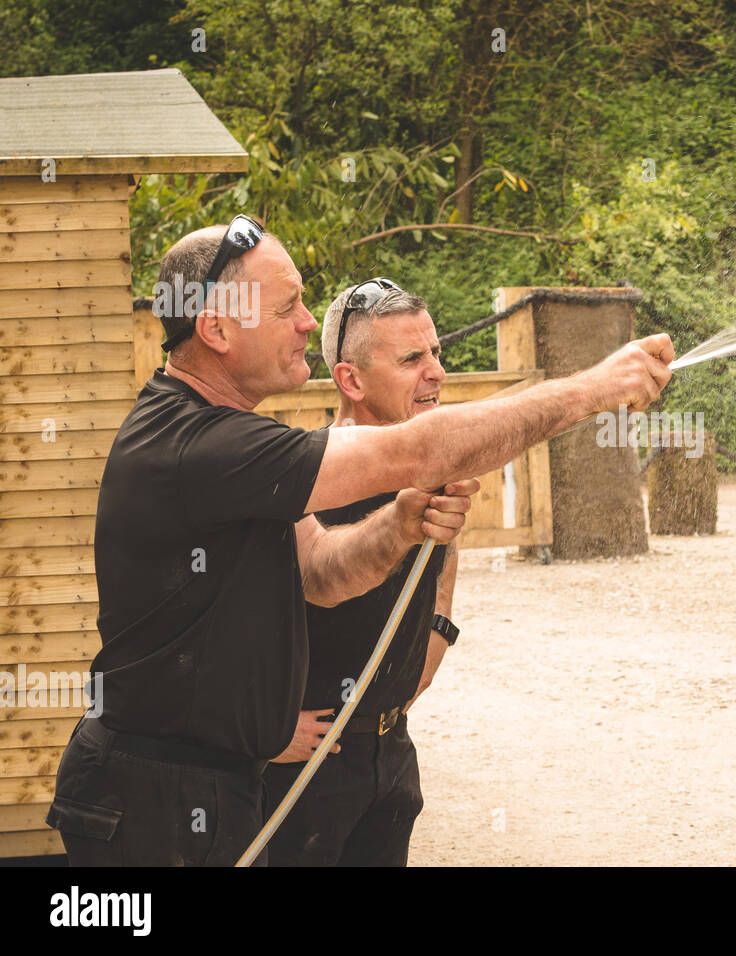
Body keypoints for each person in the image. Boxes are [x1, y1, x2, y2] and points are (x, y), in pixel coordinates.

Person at [47, 217, 673, 865]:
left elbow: (321, 569)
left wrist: (401, 523)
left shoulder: (228, 434)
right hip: (152, 795)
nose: (305, 322)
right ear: (216, 329)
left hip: (205, 785)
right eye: (287, 305)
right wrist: (590, 390)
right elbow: (418, 448)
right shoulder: (198, 444)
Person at [263, 279, 462, 866]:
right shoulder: (296, 476)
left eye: (435, 353)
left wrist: (439, 632)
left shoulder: (435, 461)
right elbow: (218, 619)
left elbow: (447, 550)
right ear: (350, 380)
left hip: (391, 756)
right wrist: (263, 732)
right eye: (411, 359)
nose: (436, 372)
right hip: (302, 764)